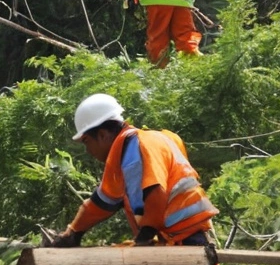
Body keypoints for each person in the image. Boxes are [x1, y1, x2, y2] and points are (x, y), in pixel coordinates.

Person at [49, 93, 217, 247]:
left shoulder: (137, 149)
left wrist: (145, 236)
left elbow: (155, 191)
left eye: (86, 142)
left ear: (102, 135)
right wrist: (73, 232)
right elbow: (102, 203)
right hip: (179, 237)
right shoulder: (126, 152)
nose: (88, 150)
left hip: (187, 240)